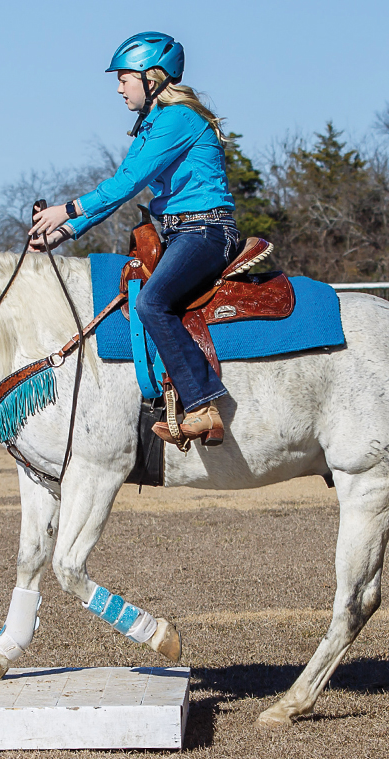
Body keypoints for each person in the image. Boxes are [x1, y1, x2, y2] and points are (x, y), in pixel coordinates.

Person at [29, 31, 237, 447]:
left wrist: (66, 209)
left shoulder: (178, 119)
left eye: (125, 77)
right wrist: (67, 232)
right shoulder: (153, 124)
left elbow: (127, 182)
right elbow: (125, 188)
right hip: (179, 233)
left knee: (151, 302)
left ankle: (203, 406)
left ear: (152, 76)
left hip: (206, 232)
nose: (119, 86)